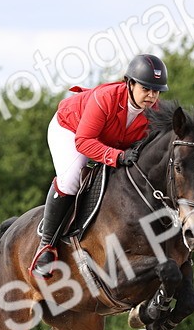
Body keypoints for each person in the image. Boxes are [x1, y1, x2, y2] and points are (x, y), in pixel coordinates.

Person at [30, 53, 169, 279]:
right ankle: (46, 246)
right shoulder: (105, 98)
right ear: (130, 84)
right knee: (71, 179)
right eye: (146, 89)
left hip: (107, 139)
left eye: (156, 91)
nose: (152, 96)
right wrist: (117, 156)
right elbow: (83, 142)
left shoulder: (154, 113)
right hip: (71, 129)